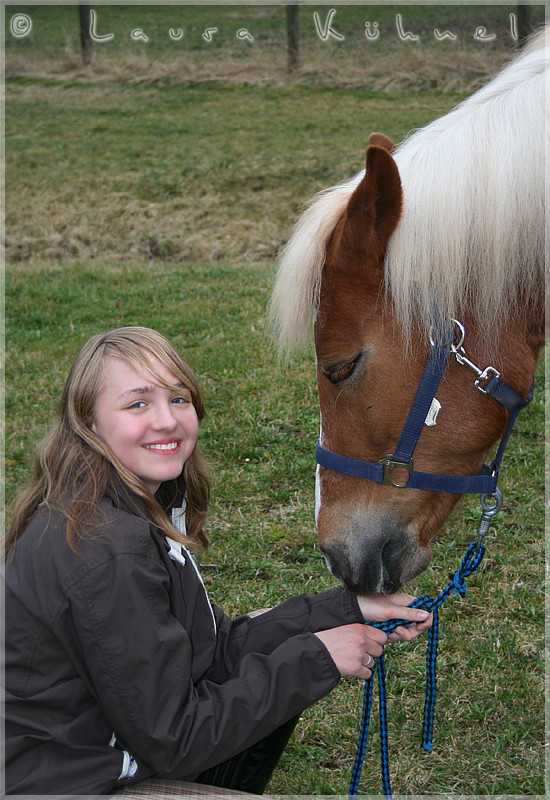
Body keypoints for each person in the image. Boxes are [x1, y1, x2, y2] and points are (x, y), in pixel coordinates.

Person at [4, 326, 432, 796]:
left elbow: (209, 653)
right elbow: (176, 739)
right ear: (89, 422)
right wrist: (316, 658)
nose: (166, 420)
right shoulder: (108, 550)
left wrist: (347, 610)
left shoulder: (128, 504)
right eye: (137, 403)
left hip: (97, 753)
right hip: (63, 782)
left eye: (179, 398)